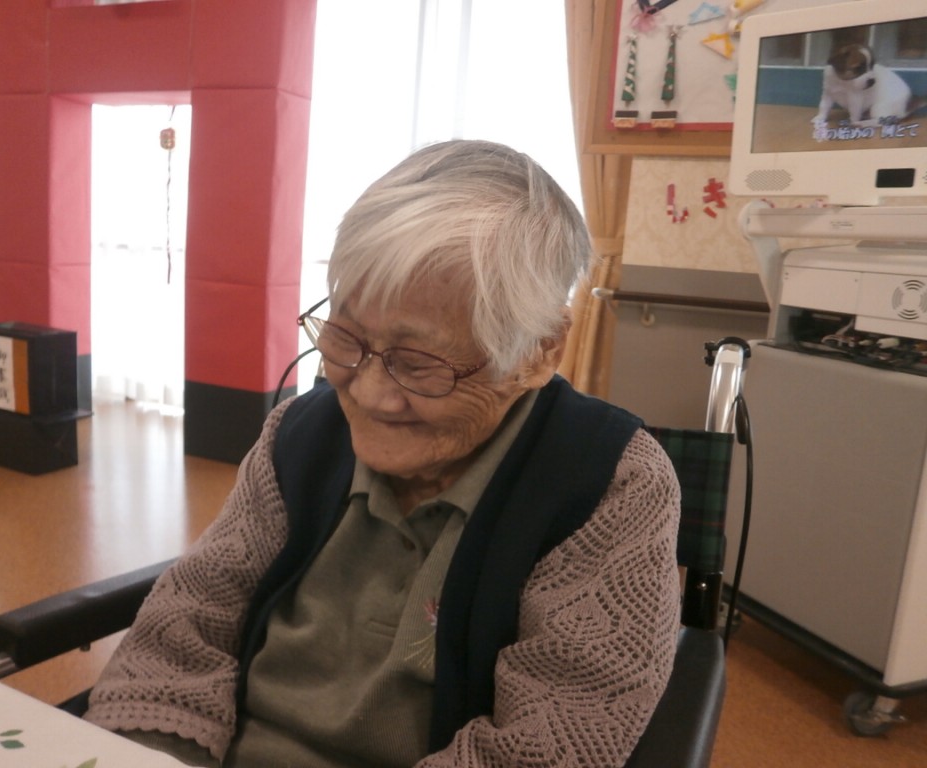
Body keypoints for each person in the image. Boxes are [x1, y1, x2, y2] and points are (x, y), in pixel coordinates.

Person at [84, 139, 681, 767]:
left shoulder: (609, 486)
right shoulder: (301, 435)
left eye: (417, 364)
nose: (367, 394)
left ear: (539, 352)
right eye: (346, 337)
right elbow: (188, 623)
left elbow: (550, 742)